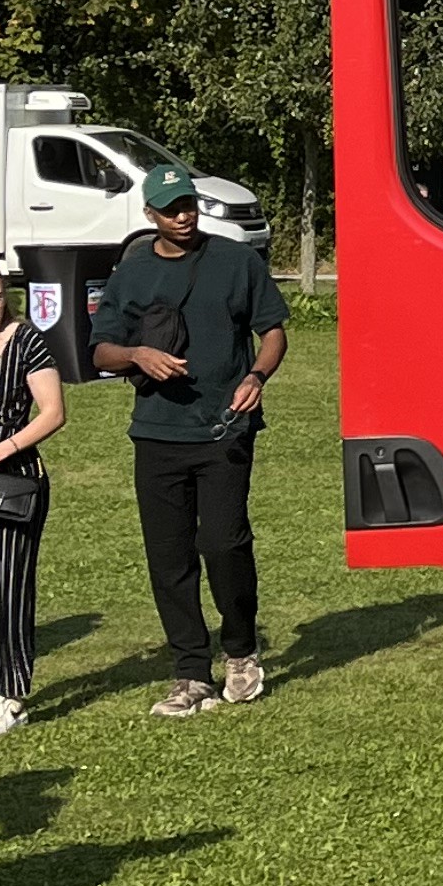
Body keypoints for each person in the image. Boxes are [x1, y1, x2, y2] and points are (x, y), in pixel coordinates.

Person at [88, 165, 288, 721]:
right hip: (156, 433)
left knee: (224, 544)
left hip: (223, 427)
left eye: (189, 204)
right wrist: (137, 356)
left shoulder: (236, 262)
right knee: (169, 557)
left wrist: (255, 378)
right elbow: (100, 350)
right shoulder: (131, 274)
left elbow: (272, 329)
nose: (183, 216)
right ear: (150, 214)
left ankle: (242, 651)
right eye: (171, 208)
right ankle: (190, 672)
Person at [0, 254, 60, 733]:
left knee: (10, 588)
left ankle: (8, 696)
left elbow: (52, 412)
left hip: (12, 484)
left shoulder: (27, 342)